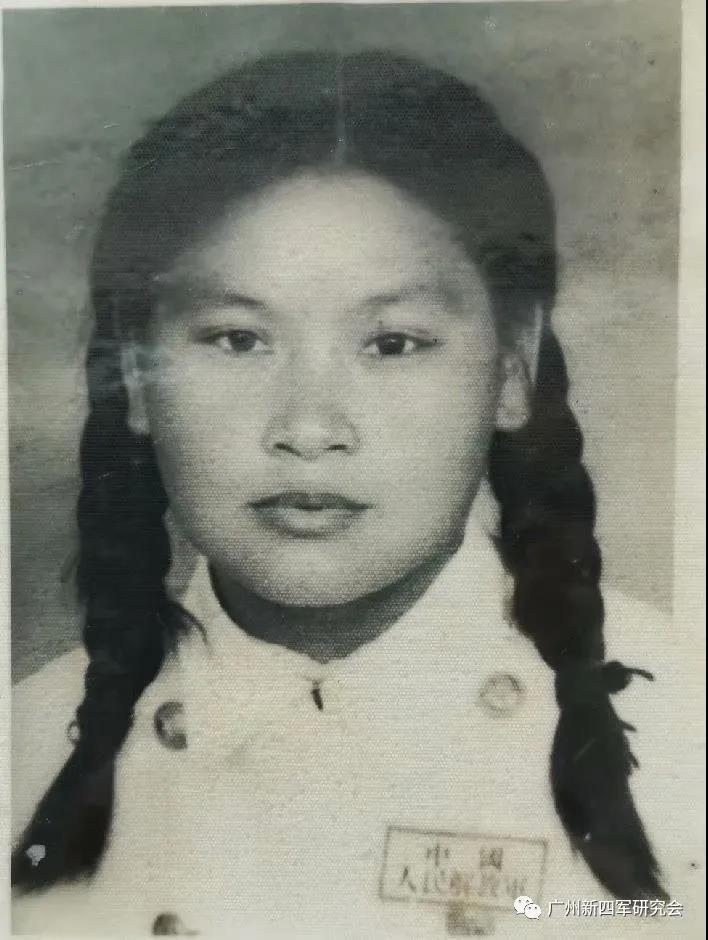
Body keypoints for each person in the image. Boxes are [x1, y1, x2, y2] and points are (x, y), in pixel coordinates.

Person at [10, 51, 701, 937]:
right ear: (136, 376)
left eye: (393, 344)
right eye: (236, 339)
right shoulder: (23, 756)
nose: (308, 427)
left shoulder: (684, 738)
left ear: (511, 369)